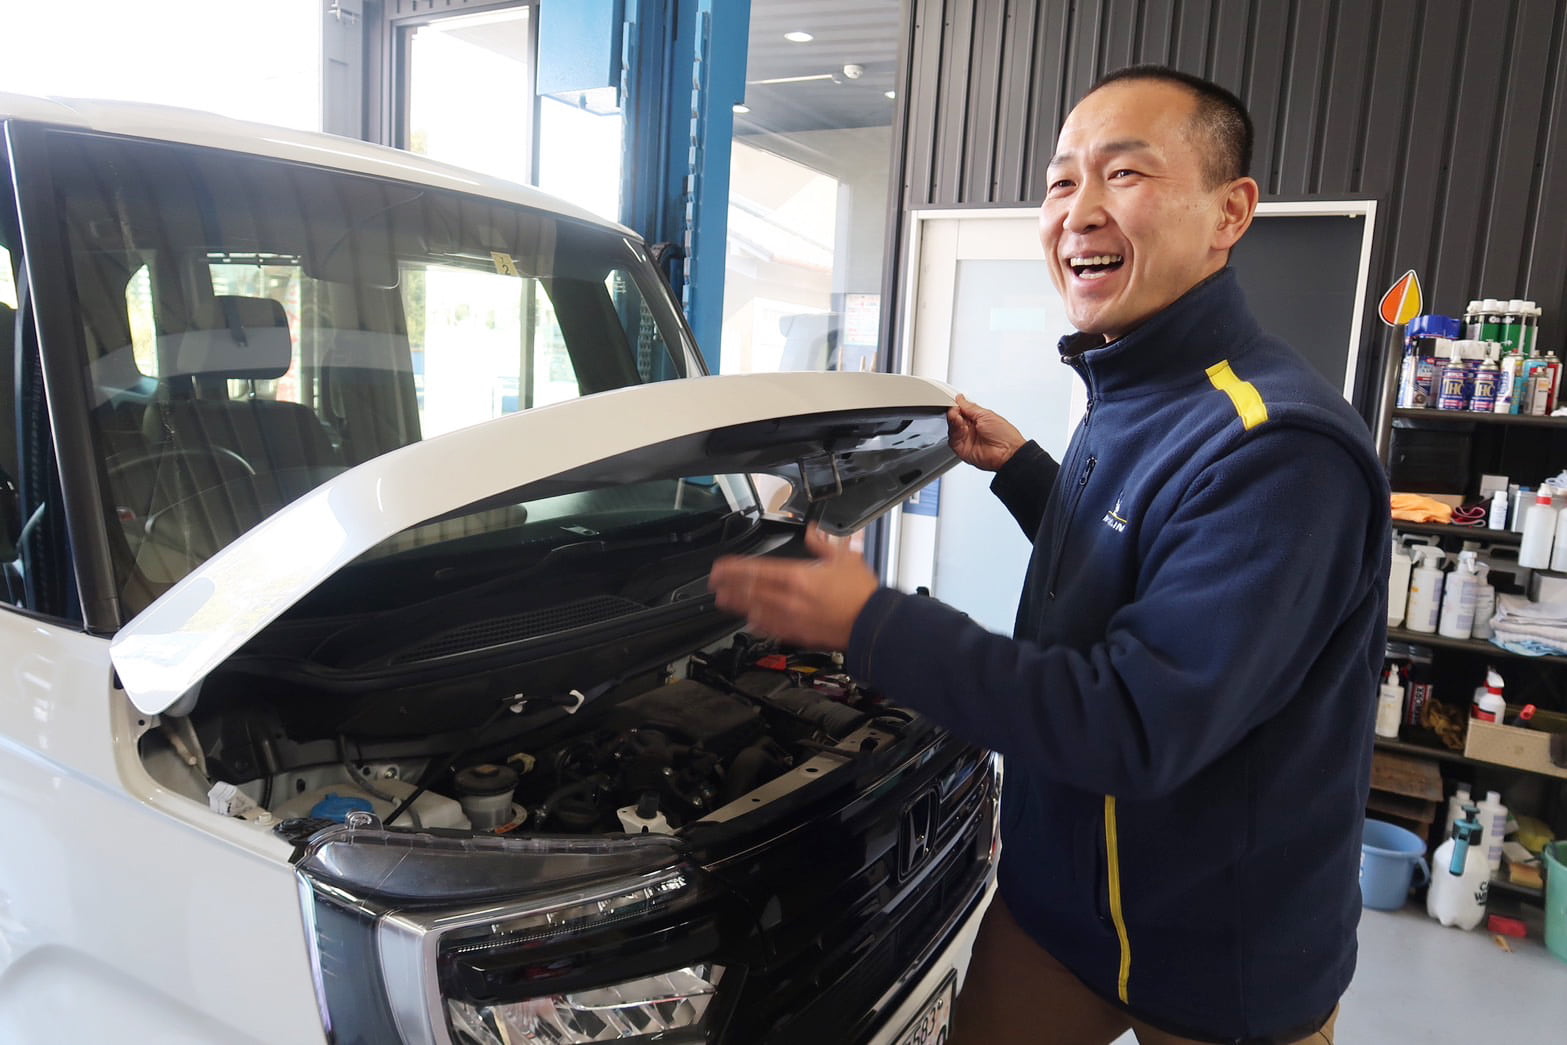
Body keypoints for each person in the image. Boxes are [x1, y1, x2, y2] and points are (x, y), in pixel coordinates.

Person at [708, 64, 1388, 1044]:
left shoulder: (1278, 447)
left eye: (1124, 174)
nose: (1080, 209)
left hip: (1222, 953)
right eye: (1062, 181)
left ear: (1228, 212)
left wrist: (872, 623)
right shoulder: (1135, 388)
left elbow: (1132, 724)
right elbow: (1137, 564)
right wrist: (1029, 472)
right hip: (1058, 909)